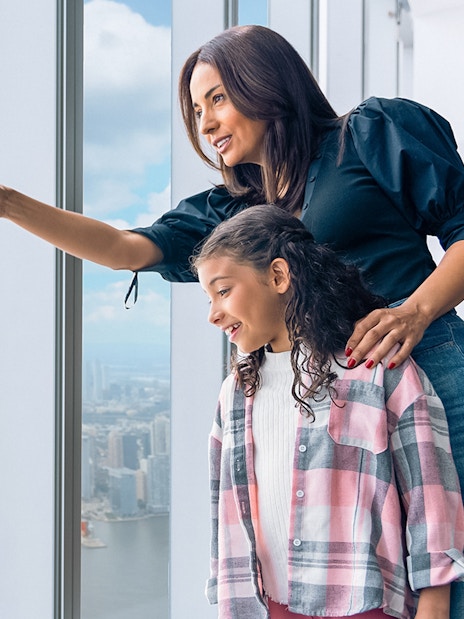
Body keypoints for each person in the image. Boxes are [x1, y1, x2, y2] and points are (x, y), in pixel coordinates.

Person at [1, 22, 464, 610]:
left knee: (447, 571)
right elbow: (124, 250)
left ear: (266, 84)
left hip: (433, 375)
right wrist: (8, 202)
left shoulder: (368, 134)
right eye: (196, 110)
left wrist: (416, 310)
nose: (206, 123)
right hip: (334, 418)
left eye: (217, 98)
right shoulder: (238, 212)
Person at [192, 204, 464, 619]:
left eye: (223, 291)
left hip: (365, 604)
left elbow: (431, 496)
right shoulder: (235, 393)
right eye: (208, 298)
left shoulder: (373, 369)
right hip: (268, 606)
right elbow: (224, 506)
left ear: (279, 276)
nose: (213, 314)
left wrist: (435, 604)